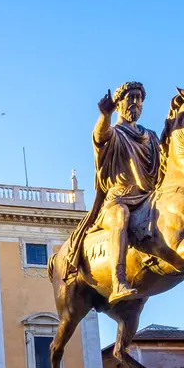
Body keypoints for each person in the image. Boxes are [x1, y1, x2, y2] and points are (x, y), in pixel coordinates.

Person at [63, 81, 160, 304]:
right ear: (119, 103)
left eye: (139, 98)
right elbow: (100, 136)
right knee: (120, 217)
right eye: (131, 97)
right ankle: (118, 280)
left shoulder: (151, 136)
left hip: (148, 196)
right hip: (119, 198)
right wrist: (104, 116)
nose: (135, 102)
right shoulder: (114, 134)